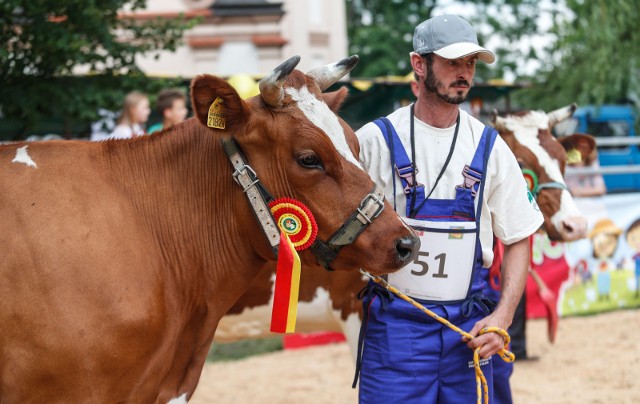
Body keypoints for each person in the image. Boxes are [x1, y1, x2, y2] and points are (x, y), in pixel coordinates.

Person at [353, 15, 544, 403]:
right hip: (395, 331)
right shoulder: (375, 141)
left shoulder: (490, 147)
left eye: (471, 63)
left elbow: (521, 235)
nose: (464, 73)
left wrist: (502, 318)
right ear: (419, 64)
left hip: (470, 331)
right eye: (453, 62)